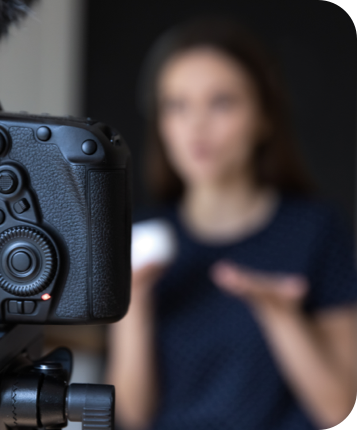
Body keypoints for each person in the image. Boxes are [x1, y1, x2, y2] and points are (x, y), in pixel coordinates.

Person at [107, 18, 357, 430]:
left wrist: (280, 315)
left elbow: (338, 409)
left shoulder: (317, 230)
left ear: (264, 117)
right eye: (177, 105)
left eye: (221, 102)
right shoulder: (141, 237)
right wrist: (134, 303)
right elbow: (132, 416)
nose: (196, 126)